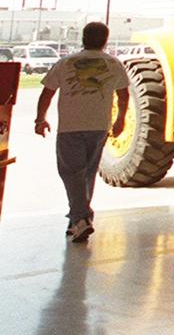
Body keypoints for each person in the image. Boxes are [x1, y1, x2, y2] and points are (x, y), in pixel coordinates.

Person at [34, 22, 129, 243]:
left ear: (83, 38)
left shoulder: (66, 62)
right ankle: (79, 219)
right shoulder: (114, 64)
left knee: (70, 173)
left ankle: (80, 218)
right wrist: (120, 120)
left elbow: (47, 93)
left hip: (70, 127)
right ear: (105, 40)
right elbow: (123, 95)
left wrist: (40, 119)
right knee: (86, 173)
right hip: (99, 127)